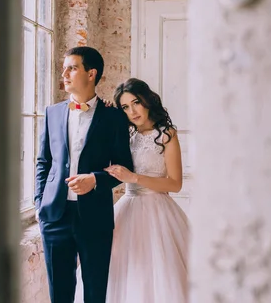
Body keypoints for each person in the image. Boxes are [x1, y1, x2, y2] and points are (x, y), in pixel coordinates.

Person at [35, 46, 134, 303]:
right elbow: (43, 162)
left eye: (72, 67)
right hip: (55, 216)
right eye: (64, 67)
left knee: (95, 291)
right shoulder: (52, 112)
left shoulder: (114, 118)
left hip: (95, 217)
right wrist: (39, 203)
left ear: (91, 74)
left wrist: (96, 180)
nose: (64, 73)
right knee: (60, 293)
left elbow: (124, 167)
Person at [77, 77, 189, 303]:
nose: (132, 111)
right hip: (126, 208)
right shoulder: (125, 133)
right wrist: (106, 113)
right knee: (120, 270)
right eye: (125, 107)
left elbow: (175, 184)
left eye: (136, 102)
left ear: (147, 100)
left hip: (159, 210)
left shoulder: (166, 134)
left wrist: (134, 177)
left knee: (161, 274)